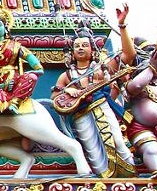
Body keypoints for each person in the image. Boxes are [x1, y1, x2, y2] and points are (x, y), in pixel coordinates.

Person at [53, 22, 136, 177]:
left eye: (85, 45)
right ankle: (102, 179)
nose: (80, 48)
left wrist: (122, 26)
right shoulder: (66, 76)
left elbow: (129, 55)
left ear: (92, 49)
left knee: (117, 140)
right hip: (82, 114)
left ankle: (131, 174)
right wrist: (66, 90)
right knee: (93, 149)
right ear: (72, 52)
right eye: (76, 46)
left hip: (103, 107)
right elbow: (55, 99)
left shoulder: (101, 69)